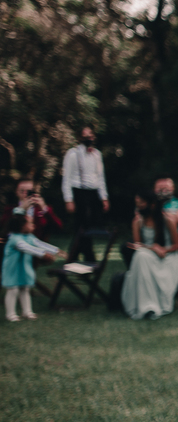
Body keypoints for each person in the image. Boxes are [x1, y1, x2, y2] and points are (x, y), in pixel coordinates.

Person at [122, 189, 178, 320]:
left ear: (152, 204)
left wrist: (163, 250)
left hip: (168, 258)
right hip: (147, 255)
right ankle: (145, 306)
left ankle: (149, 305)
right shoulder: (137, 221)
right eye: (137, 203)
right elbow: (137, 245)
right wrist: (152, 248)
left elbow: (176, 246)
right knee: (141, 255)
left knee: (141, 256)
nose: (139, 206)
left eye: (142, 203)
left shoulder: (168, 219)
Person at [4, 212, 65, 321]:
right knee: (13, 290)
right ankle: (10, 314)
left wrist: (56, 250)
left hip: (23, 268)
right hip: (12, 269)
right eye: (30, 223)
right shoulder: (14, 238)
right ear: (22, 226)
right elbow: (26, 248)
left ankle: (27, 312)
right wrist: (43, 254)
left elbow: (40, 244)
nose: (34, 225)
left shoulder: (29, 236)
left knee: (25, 288)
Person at [61, 126, 109, 262]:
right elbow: (66, 178)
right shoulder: (73, 154)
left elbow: (100, 177)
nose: (89, 138)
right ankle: (89, 258)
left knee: (87, 227)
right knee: (82, 226)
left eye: (90, 135)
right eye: (85, 135)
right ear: (80, 138)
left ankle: (73, 257)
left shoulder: (97, 154)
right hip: (79, 192)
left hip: (93, 194)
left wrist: (104, 197)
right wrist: (68, 199)